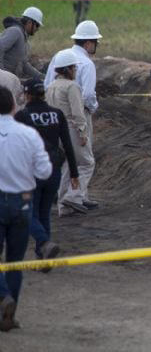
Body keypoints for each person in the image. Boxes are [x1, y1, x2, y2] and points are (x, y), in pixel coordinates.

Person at [0, 85, 52, 332]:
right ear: (13, 106)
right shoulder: (28, 134)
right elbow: (45, 171)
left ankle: (3, 296)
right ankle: (8, 316)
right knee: (15, 262)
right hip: (22, 202)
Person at [15, 78, 79, 264]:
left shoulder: (22, 116)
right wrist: (74, 173)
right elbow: (67, 144)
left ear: (27, 94)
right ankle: (43, 257)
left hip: (32, 171)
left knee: (26, 212)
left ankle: (44, 242)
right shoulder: (57, 114)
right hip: (54, 170)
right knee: (44, 213)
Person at [44, 21, 103, 213]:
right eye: (95, 42)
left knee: (68, 162)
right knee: (86, 161)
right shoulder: (86, 64)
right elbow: (88, 97)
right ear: (88, 43)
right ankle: (74, 196)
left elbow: (46, 84)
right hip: (75, 118)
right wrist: (92, 110)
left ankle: (66, 204)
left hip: (54, 118)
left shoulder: (59, 57)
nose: (96, 46)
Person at [45, 49, 90, 216]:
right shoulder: (72, 87)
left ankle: (63, 207)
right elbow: (78, 113)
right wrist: (83, 132)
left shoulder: (51, 86)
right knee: (86, 163)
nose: (76, 71)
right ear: (68, 69)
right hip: (70, 129)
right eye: (74, 68)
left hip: (55, 130)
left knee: (65, 166)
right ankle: (73, 196)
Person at [0, 7, 44, 79]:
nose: (38, 29)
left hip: (11, 78)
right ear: (29, 22)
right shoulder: (15, 31)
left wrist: (41, 76)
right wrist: (2, 72)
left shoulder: (24, 40)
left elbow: (24, 64)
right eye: (37, 25)